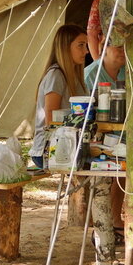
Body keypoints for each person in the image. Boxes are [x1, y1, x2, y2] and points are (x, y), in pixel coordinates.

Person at [29, 24, 88, 169]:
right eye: (80, 45)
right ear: (65, 47)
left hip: (68, 144)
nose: (86, 51)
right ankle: (80, 192)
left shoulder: (76, 76)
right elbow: (51, 121)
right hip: (48, 150)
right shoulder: (56, 75)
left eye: (86, 45)